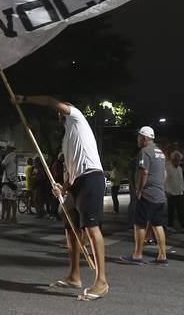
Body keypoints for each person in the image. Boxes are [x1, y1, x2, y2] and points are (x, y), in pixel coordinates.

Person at [13, 93, 109, 302]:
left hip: (91, 177)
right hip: (76, 183)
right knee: (70, 229)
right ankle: (74, 275)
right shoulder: (67, 138)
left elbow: (50, 101)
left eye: (61, 110)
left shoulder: (76, 117)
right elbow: (69, 169)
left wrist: (24, 99)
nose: (59, 113)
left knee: (91, 228)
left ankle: (101, 281)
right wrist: (62, 188)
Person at [120, 126, 168, 265]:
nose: (138, 139)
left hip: (148, 194)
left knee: (139, 224)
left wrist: (139, 190)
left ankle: (137, 255)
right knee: (157, 224)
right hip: (159, 194)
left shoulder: (145, 151)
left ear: (144, 138)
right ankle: (162, 256)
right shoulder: (160, 152)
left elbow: (144, 172)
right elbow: (164, 173)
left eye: (139, 137)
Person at [164, 150, 184, 230]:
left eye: (179, 160)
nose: (178, 161)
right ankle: (170, 226)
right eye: (177, 159)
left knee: (181, 210)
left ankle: (183, 226)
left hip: (180, 192)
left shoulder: (180, 168)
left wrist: (183, 190)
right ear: (173, 159)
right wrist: (167, 191)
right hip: (171, 193)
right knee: (171, 211)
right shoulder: (168, 168)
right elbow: (165, 180)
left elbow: (181, 180)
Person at [1, 144, 19, 223]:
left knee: (7, 199)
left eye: (6, 148)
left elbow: (2, 165)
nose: (5, 149)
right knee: (13, 200)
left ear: (9, 148)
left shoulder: (8, 156)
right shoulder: (15, 156)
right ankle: (14, 217)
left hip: (7, 181)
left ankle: (7, 217)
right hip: (14, 181)